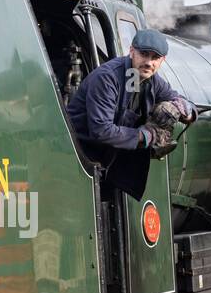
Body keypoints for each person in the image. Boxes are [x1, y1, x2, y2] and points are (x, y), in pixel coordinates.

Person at [67, 28, 195, 199]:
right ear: (132, 51)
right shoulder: (108, 78)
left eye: (155, 58)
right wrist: (148, 135)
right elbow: (102, 130)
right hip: (77, 160)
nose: (149, 62)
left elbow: (183, 102)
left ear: (162, 60)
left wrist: (184, 110)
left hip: (107, 162)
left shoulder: (145, 79)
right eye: (144, 54)